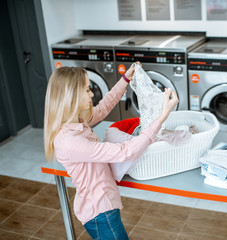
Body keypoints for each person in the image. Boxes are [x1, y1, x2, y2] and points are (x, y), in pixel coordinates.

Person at [43, 62, 178, 240]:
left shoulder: (75, 122)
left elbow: (104, 106)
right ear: (71, 97)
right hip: (100, 212)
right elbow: (125, 152)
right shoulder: (70, 141)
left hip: (102, 207)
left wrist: (125, 79)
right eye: (86, 90)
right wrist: (161, 117)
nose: (91, 93)